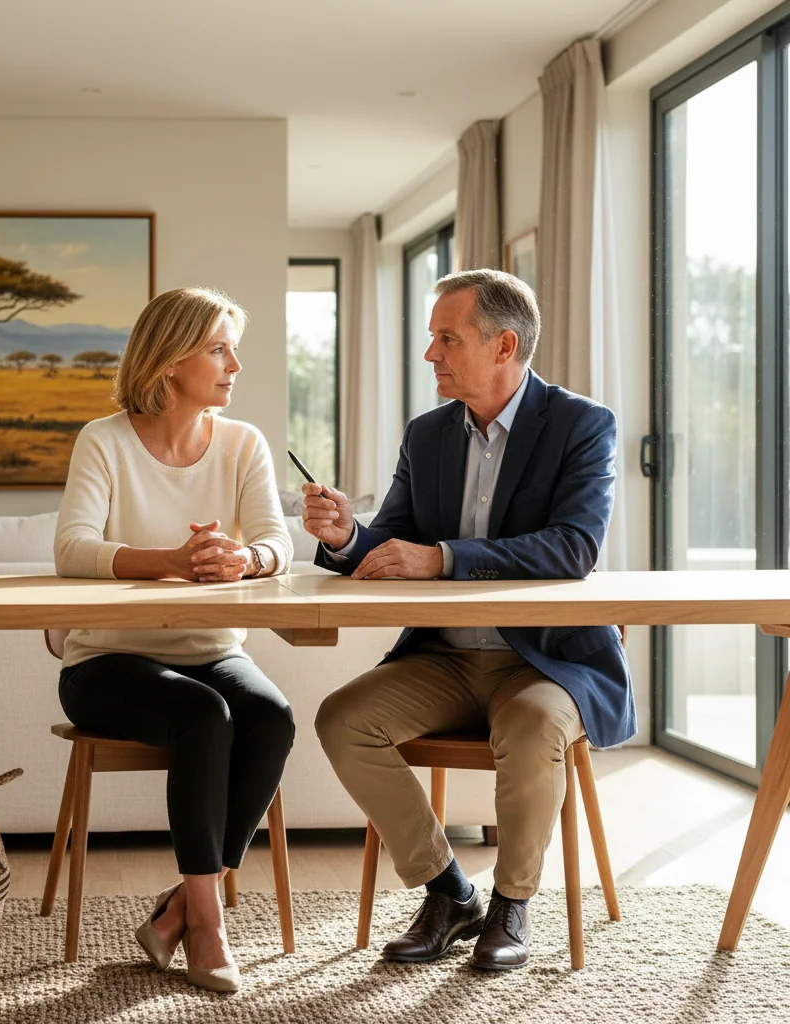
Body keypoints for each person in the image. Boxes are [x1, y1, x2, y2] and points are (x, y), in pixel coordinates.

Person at [306, 269, 635, 971]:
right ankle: (450, 892)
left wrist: (445, 558)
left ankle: (512, 904)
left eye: (447, 338)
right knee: (343, 719)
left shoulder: (581, 425)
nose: (431, 353)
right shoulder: (427, 435)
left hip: (545, 661)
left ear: (503, 345)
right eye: (433, 338)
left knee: (535, 726)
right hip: (446, 660)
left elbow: (573, 547)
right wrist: (345, 536)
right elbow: (393, 540)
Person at [54, 287, 295, 993]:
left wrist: (246, 558)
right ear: (169, 361)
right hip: (105, 662)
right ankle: (209, 924)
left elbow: (278, 542)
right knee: (203, 715)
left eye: (232, 349)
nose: (235, 366)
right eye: (219, 350)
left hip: (214, 652)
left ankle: (182, 905)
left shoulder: (243, 443)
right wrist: (173, 562)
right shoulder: (104, 440)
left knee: (272, 717)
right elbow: (72, 548)